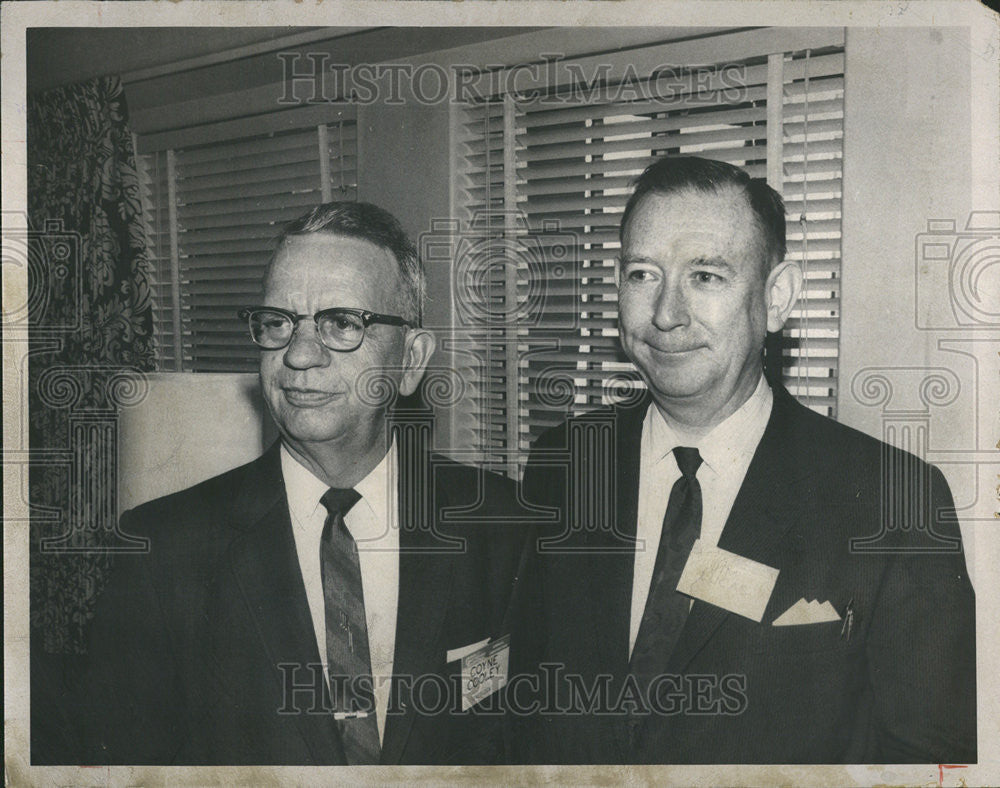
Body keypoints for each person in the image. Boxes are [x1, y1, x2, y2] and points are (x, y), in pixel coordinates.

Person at [510, 156, 976, 764]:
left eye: (705, 276)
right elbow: (525, 708)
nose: (665, 313)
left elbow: (930, 759)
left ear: (776, 298)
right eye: (643, 274)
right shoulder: (563, 464)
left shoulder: (895, 499)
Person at [76, 201, 526, 765]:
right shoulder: (161, 551)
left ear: (411, 360)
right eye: (277, 322)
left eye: (342, 323)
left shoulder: (504, 525)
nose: (299, 354)